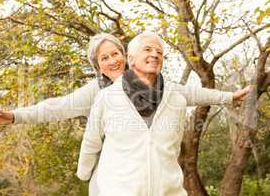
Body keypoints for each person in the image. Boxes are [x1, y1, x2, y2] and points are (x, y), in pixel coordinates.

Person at [76, 32, 251, 196]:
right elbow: (91, 143)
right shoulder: (105, 96)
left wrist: (230, 97)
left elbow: (194, 93)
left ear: (125, 58)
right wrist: (85, 174)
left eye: (159, 51)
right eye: (147, 49)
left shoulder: (172, 93)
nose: (154, 54)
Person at [0, 33, 127, 196]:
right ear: (97, 67)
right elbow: (55, 107)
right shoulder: (96, 90)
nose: (112, 61)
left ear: (124, 55)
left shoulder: (148, 81)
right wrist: (14, 116)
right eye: (104, 58)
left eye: (115, 54)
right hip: (112, 180)